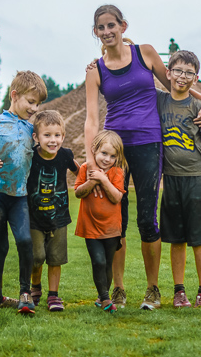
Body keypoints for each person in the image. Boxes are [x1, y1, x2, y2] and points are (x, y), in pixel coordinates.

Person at [84, 4, 201, 310]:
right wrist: (91, 160)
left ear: (123, 26)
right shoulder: (95, 71)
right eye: (100, 28)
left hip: (148, 144)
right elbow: (92, 119)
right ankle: (118, 289)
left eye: (111, 26)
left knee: (146, 218)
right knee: (116, 220)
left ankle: (152, 289)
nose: (106, 32)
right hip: (113, 149)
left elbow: (176, 84)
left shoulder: (145, 53)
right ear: (96, 33)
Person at [0, 71, 47, 313]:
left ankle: (25, 294)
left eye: (38, 104)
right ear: (14, 95)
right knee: (0, 248)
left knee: (25, 241)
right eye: (31, 102)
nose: (34, 108)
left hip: (19, 196)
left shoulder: (30, 128)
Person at [156, 50, 201, 310]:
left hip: (197, 179)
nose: (183, 76)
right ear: (168, 73)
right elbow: (140, 66)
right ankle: (179, 292)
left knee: (200, 239)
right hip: (171, 180)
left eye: (189, 73)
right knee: (176, 239)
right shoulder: (159, 100)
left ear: (196, 78)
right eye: (178, 71)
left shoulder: (199, 108)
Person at [26, 110, 80, 312]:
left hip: (59, 217)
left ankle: (53, 295)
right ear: (36, 138)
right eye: (47, 135)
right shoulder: (30, 157)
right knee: (37, 256)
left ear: (63, 137)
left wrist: (88, 183)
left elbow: (79, 171)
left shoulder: (65, 155)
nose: (52, 140)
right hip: (34, 217)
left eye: (57, 135)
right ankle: (35, 286)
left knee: (56, 258)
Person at [74, 130, 126, 313]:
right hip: (90, 226)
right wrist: (92, 181)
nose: (107, 159)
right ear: (94, 150)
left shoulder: (117, 172)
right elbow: (78, 192)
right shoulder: (85, 169)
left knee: (107, 262)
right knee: (97, 261)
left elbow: (116, 197)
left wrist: (103, 180)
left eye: (112, 156)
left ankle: (101, 296)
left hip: (111, 228)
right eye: (104, 153)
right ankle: (105, 299)